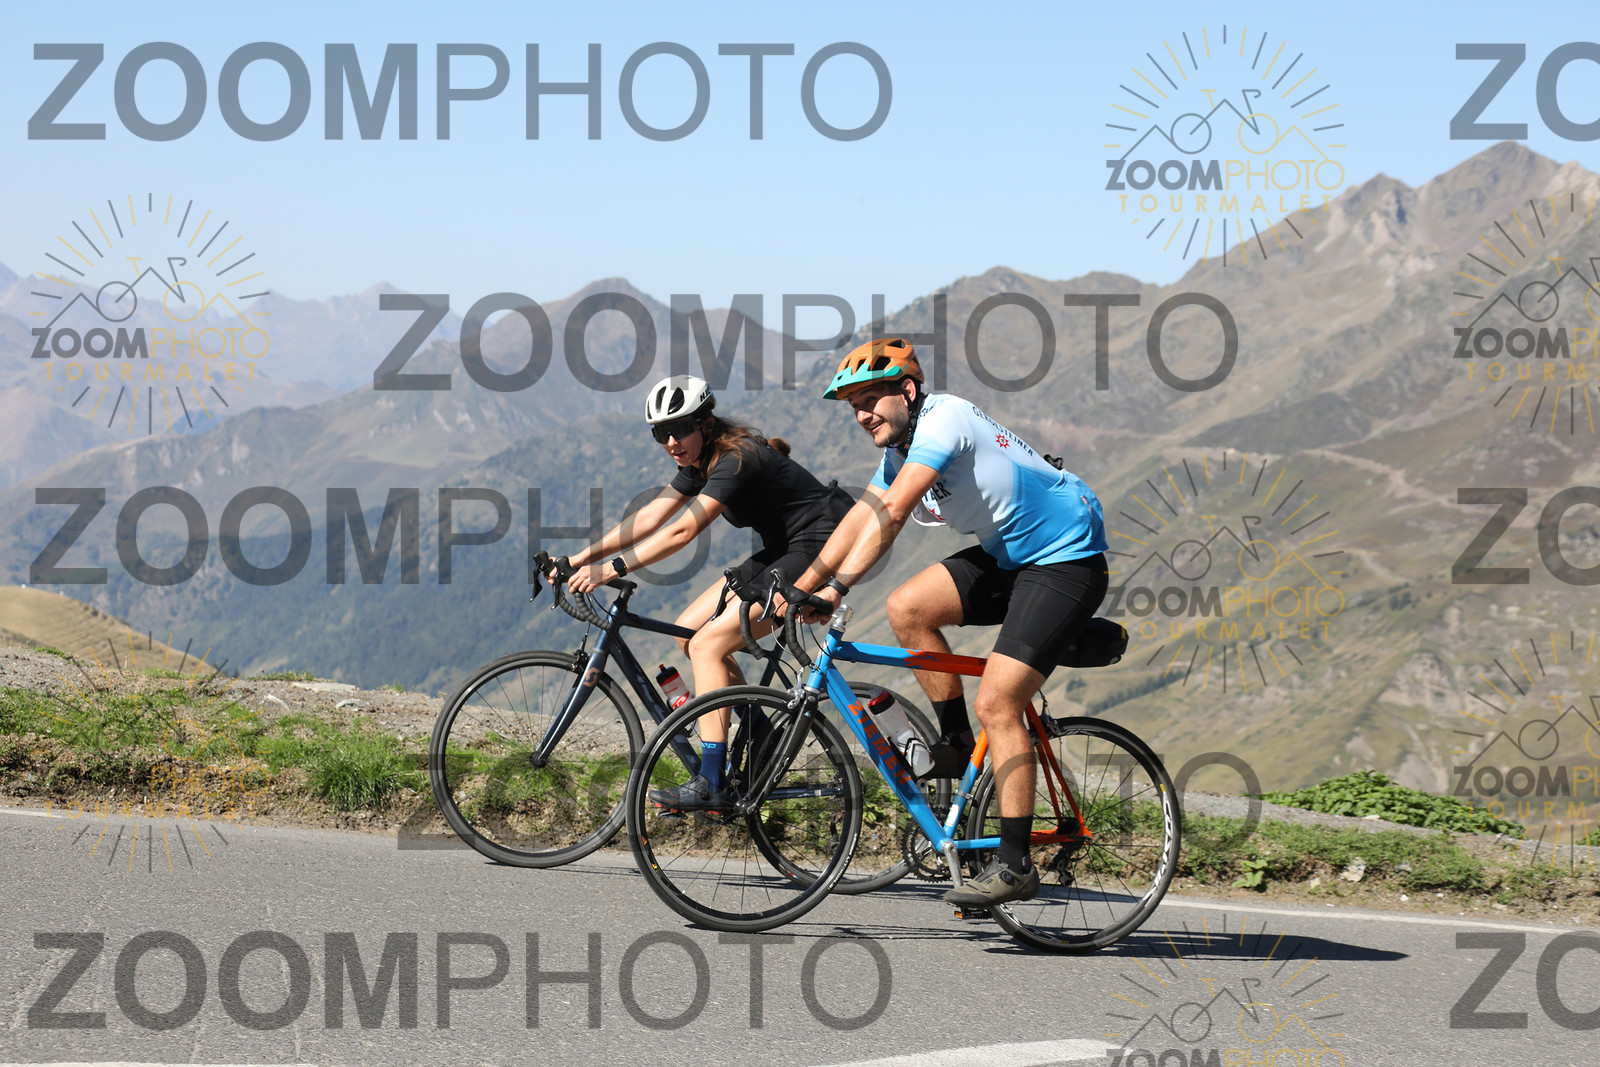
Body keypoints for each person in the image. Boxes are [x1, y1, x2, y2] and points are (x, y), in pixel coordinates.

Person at [781, 337, 1109, 906]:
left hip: (1065, 560)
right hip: (1009, 557)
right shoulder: (898, 449)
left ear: (907, 391)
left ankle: (1015, 865)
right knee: (907, 608)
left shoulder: (944, 419)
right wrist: (801, 585)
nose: (862, 415)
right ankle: (956, 745)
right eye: (853, 406)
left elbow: (894, 512)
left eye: (871, 400)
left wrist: (837, 589)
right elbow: (861, 517)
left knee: (998, 704)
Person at [556, 374, 852, 809]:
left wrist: (612, 569)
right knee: (688, 633)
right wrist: (579, 558)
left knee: (709, 646)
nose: (671, 442)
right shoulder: (700, 461)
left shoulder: (736, 459)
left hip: (822, 546)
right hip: (784, 549)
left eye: (679, 429)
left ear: (706, 424)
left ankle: (712, 782)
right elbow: (650, 517)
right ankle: (760, 734)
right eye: (660, 433)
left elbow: (681, 531)